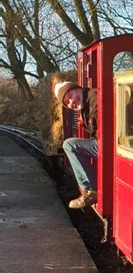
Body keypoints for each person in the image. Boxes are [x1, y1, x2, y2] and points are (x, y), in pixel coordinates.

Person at [53, 80, 98, 209]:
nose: (72, 101)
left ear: (77, 88)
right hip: (107, 142)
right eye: (67, 102)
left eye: (71, 95)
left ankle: (90, 190)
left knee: (69, 145)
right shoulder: (87, 103)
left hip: (109, 145)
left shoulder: (94, 98)